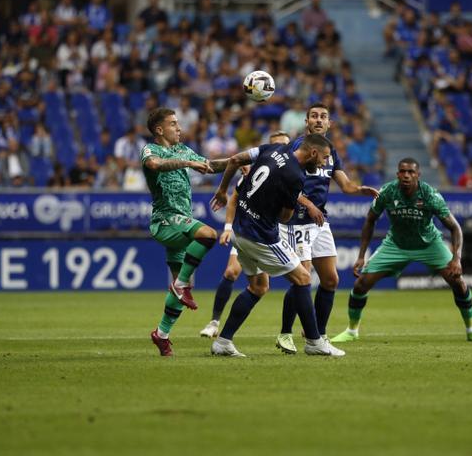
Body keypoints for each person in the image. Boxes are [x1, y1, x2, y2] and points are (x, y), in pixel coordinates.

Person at [209, 134, 345, 357]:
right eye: (324, 158)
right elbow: (284, 217)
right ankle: (314, 341)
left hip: (238, 229)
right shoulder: (295, 177)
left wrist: (223, 190)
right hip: (260, 236)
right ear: (312, 153)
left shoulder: (272, 149)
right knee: (303, 278)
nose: (324, 163)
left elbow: (234, 160)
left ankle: (223, 341)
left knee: (258, 287)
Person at [331, 158, 472, 344]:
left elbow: (455, 228)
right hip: (396, 245)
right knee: (360, 284)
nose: (406, 175)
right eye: (403, 171)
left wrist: (457, 259)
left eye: (411, 172)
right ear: (397, 174)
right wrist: (360, 256)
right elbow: (370, 220)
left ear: (418, 175)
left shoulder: (429, 195)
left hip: (429, 244)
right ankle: (351, 331)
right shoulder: (388, 192)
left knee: (458, 282)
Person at [274, 103, 379, 354]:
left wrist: (361, 190)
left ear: (329, 123)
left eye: (323, 117)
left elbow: (345, 184)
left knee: (331, 279)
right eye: (314, 116)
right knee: (303, 277)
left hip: (320, 222)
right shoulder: (297, 147)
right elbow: (285, 183)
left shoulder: (330, 151)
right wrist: (309, 204)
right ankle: (285, 333)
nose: (319, 120)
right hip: (297, 221)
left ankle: (318, 336)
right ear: (306, 121)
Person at [144, 108, 230, 357]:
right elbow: (155, 165)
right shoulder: (151, 150)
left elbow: (209, 165)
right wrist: (188, 162)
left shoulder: (184, 149)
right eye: (173, 124)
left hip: (182, 222)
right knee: (208, 234)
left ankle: (161, 335)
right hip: (165, 221)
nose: (179, 128)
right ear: (159, 130)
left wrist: (237, 162)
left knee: (182, 291)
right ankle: (180, 284)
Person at [199, 131, 290, 338]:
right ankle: (214, 323)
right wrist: (228, 228)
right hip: (249, 232)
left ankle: (300, 332)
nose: (279, 149)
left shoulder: (292, 174)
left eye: (284, 145)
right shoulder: (253, 174)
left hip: (276, 234)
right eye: (275, 145)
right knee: (232, 272)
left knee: (270, 285)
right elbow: (233, 200)